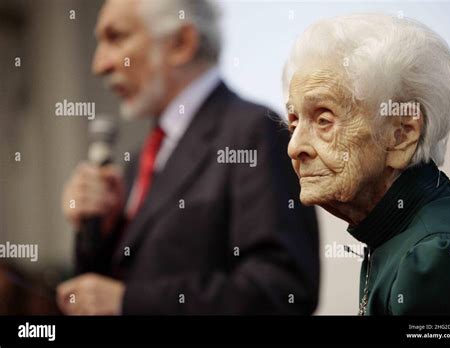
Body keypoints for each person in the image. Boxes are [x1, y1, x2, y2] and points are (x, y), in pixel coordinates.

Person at [57, 0, 319, 315]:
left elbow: (283, 289)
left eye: (116, 38)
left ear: (181, 43)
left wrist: (129, 303)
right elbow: (110, 287)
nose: (100, 64)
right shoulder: (140, 158)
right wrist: (102, 230)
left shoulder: (252, 131)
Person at [283, 13, 450, 315]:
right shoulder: (393, 232)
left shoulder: (432, 258)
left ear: (401, 135)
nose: (295, 147)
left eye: (323, 120)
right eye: (294, 122)